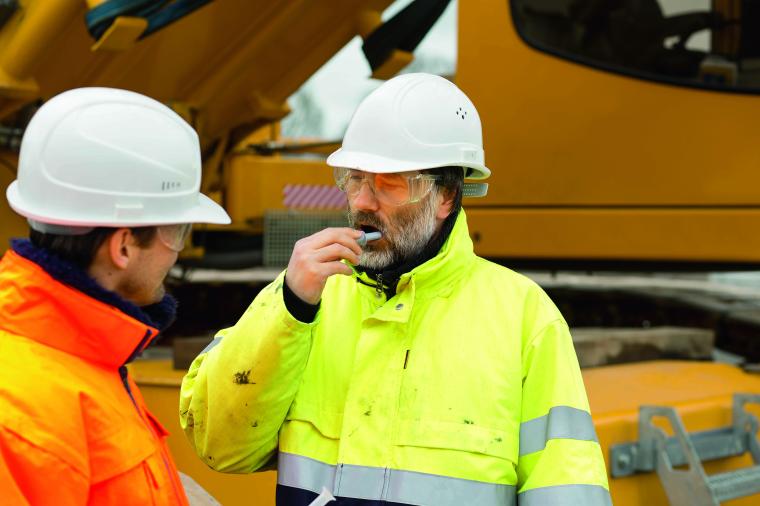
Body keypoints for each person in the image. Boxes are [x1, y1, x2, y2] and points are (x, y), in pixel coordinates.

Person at [180, 73, 610, 505]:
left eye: (389, 183)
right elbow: (222, 448)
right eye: (354, 179)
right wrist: (290, 306)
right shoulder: (308, 294)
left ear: (445, 196)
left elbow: (568, 493)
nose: (363, 202)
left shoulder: (523, 317)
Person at [0, 87, 230, 505]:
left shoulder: (86, 358)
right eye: (176, 231)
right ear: (123, 246)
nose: (176, 249)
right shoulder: (23, 409)